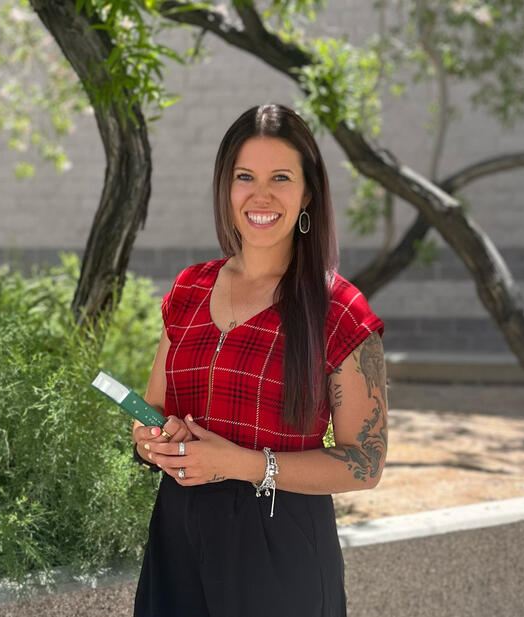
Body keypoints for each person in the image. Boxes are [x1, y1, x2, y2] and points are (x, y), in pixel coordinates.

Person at [131, 103, 387, 617]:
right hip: (177, 539)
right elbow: (152, 415)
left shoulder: (340, 311)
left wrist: (244, 465)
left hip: (281, 549)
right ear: (226, 188)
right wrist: (152, 442)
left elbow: (366, 465)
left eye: (281, 177)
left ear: (308, 191)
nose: (261, 194)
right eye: (245, 176)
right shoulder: (187, 291)